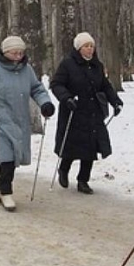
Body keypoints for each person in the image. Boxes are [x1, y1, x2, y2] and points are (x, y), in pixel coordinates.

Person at [0, 36, 55, 212]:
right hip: (1, 120)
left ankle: (1, 188)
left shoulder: (27, 70)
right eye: (14, 52)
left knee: (16, 155)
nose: (18, 55)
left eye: (21, 52)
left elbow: (36, 88)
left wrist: (45, 103)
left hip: (21, 119)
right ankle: (5, 191)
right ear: (5, 52)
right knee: (8, 157)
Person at [50, 32, 123, 194]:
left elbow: (105, 86)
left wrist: (115, 102)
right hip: (73, 110)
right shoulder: (68, 64)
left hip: (93, 112)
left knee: (90, 148)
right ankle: (64, 169)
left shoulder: (97, 65)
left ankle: (83, 180)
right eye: (86, 46)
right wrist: (66, 98)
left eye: (91, 46)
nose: (90, 49)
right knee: (72, 145)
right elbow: (56, 84)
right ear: (79, 48)